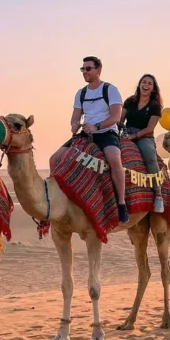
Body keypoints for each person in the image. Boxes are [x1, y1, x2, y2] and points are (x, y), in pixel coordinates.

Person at [49, 56, 130, 223]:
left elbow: (115, 117)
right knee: (54, 158)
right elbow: (75, 117)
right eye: (82, 69)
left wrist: (97, 126)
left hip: (106, 132)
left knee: (114, 159)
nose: (84, 72)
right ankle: (55, 199)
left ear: (98, 70)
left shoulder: (110, 90)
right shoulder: (81, 93)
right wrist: (74, 125)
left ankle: (121, 203)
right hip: (86, 134)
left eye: (88, 68)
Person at [121, 74, 165, 213]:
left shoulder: (155, 106)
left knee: (150, 158)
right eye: (144, 82)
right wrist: (120, 131)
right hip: (126, 133)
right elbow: (120, 120)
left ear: (153, 88)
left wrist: (134, 136)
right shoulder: (130, 101)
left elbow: (150, 128)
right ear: (139, 84)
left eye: (149, 83)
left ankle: (158, 194)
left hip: (144, 136)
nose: (146, 85)